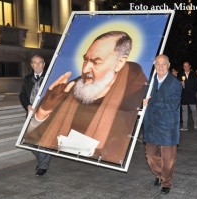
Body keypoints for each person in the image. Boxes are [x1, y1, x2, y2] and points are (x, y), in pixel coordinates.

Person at [23, 31, 147, 164]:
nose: (86, 69)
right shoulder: (71, 88)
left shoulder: (135, 93)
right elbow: (32, 136)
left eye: (96, 62)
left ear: (119, 63)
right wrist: (44, 110)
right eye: (85, 60)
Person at [143, 54, 182, 194]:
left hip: (167, 125)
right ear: (154, 65)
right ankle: (160, 175)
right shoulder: (149, 81)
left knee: (168, 158)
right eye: (157, 64)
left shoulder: (175, 83)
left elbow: (172, 104)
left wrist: (152, 101)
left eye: (163, 64)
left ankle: (167, 182)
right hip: (151, 125)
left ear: (168, 65)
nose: (160, 66)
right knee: (150, 156)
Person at [19, 54, 51, 176]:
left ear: (44, 64)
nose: (37, 65)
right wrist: (27, 105)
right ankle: (42, 160)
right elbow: (22, 95)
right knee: (28, 141)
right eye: (35, 63)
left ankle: (43, 166)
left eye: (40, 62)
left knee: (43, 141)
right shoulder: (27, 79)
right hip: (31, 114)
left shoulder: (50, 77)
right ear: (31, 65)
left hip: (45, 115)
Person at [179, 62, 197, 131]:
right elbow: (176, 84)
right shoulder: (180, 74)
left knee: (194, 110)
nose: (186, 67)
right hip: (184, 95)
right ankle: (185, 126)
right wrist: (180, 84)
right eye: (184, 66)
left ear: (190, 66)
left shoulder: (194, 74)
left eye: (187, 66)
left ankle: (196, 123)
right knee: (184, 111)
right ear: (183, 67)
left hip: (192, 95)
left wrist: (194, 92)